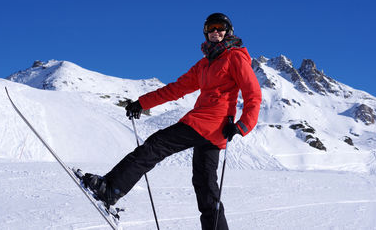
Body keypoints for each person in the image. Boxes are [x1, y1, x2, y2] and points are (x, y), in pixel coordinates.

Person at [82, 13, 262, 230]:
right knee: (205, 187)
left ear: (228, 31)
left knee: (156, 145)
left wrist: (243, 125)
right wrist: (142, 102)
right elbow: (176, 89)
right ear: (206, 32)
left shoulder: (235, 57)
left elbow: (253, 93)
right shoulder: (204, 65)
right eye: (210, 28)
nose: (215, 32)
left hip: (209, 122)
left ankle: (110, 189)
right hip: (210, 130)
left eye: (220, 27)